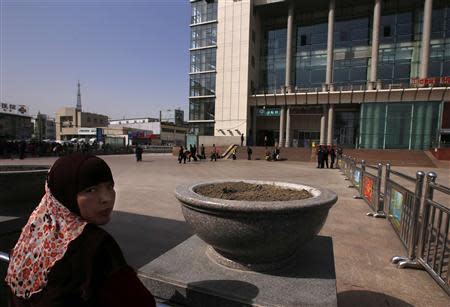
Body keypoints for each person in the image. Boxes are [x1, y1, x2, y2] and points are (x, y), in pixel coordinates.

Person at [5, 154, 156, 307]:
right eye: (91, 190)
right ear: (65, 193)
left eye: (109, 187)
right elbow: (141, 302)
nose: (106, 198)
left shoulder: (33, 233)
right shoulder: (95, 245)